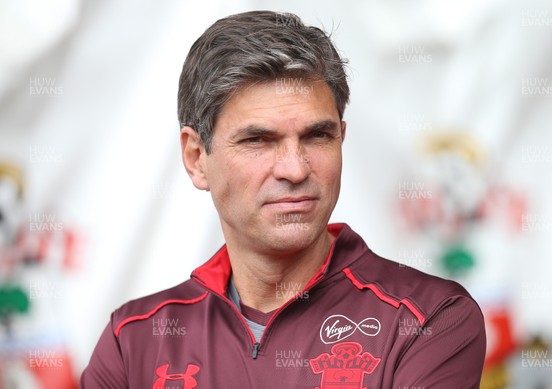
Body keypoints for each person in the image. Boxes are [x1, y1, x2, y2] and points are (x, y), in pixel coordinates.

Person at [81, 10, 486, 388]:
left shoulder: (429, 320)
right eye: (258, 140)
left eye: (317, 136)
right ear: (196, 158)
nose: (294, 169)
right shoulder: (132, 338)